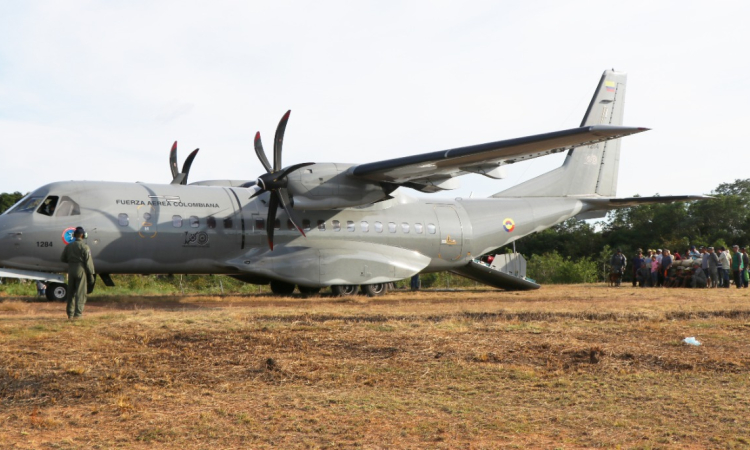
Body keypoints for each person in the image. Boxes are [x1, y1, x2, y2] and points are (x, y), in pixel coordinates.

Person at [60, 226, 95, 319]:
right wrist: (91, 275)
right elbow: (88, 262)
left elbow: (62, 258)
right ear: (83, 235)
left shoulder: (68, 246)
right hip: (81, 270)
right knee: (81, 293)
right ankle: (78, 314)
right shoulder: (85, 247)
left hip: (71, 270)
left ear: (75, 235)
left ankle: (70, 314)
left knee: (71, 293)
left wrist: (72, 260)